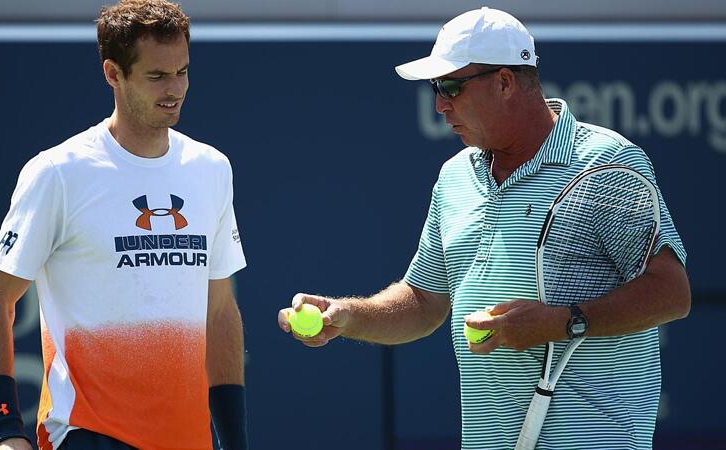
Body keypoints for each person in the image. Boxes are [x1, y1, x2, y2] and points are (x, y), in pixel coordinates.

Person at [278, 7, 690, 450]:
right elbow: (424, 302)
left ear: (505, 83)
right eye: (436, 89)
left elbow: (671, 292)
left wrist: (560, 322)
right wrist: (349, 316)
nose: (439, 104)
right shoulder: (455, 176)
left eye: (451, 87)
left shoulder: (605, 164)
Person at [0, 1, 248, 449]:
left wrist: (234, 441)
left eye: (182, 72)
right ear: (113, 74)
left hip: (187, 440)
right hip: (88, 434)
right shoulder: (57, 172)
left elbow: (219, 313)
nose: (174, 89)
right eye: (156, 76)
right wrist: (2, 430)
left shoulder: (212, 169)